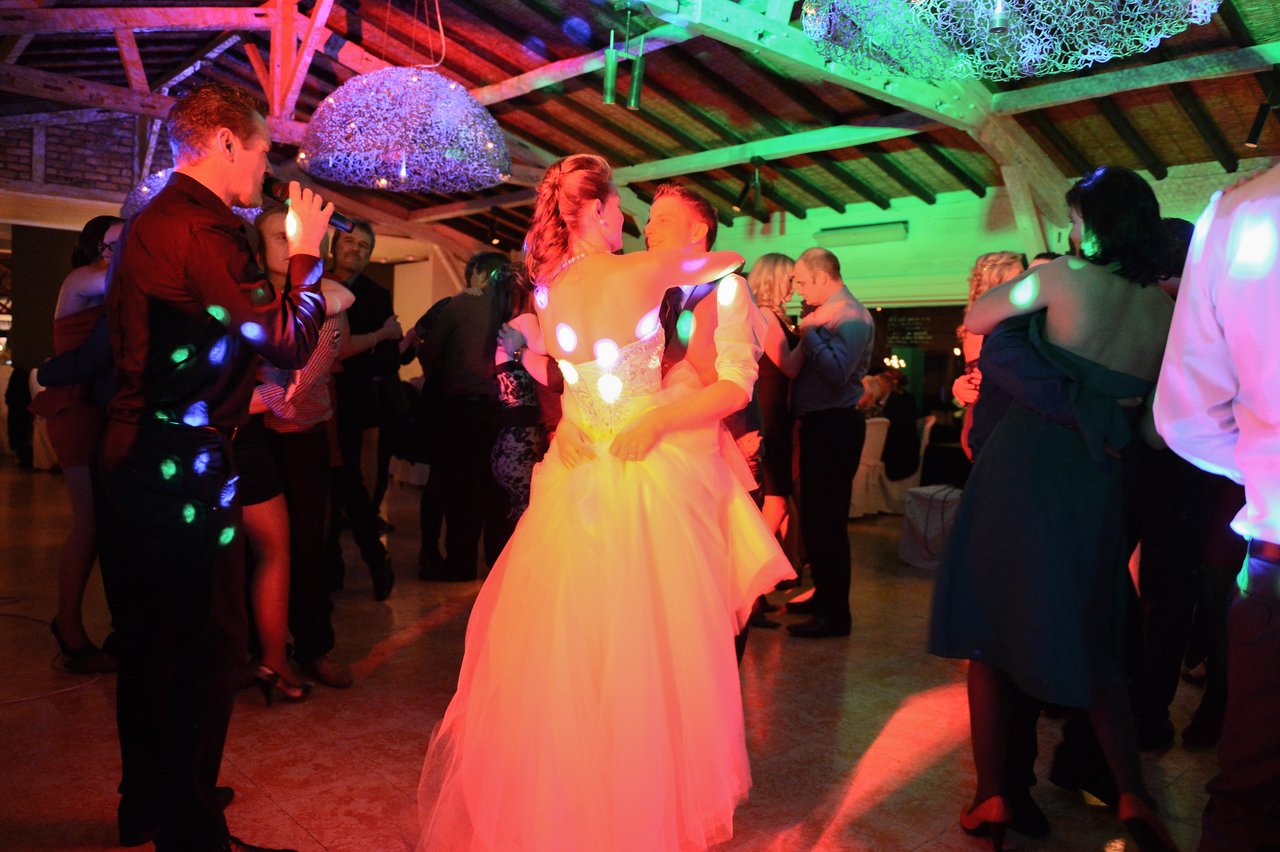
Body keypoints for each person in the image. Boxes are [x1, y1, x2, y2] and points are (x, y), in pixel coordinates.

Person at [415, 154, 793, 851]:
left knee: (565, 647)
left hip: (576, 476)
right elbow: (728, 260)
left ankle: (555, 805)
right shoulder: (640, 272)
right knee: (646, 650)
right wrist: (692, 260)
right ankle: (635, 808)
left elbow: (555, 373)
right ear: (593, 212)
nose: (633, 221)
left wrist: (586, 424)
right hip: (639, 482)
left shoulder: (552, 290)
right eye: (622, 210)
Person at [96, 82, 331, 852]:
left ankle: (152, 801)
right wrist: (305, 253)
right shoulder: (206, 229)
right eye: (264, 148)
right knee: (211, 647)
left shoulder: (151, 221)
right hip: (184, 465)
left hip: (135, 452)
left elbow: (185, 338)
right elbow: (288, 339)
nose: (267, 164)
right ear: (227, 142)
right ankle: (192, 828)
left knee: (152, 643)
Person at [928, 165, 1176, 851]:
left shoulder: (1064, 278)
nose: (1069, 232)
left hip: (1026, 467)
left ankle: (994, 798)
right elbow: (1153, 420)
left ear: (1095, 227)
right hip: (1101, 478)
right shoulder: (1162, 310)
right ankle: (1131, 793)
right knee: (1095, 635)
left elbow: (979, 316)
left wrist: (1043, 288)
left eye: (1074, 220)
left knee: (989, 629)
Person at [1153, 162, 1280, 851]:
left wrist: (1265, 468)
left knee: (1252, 800)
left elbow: (1186, 417)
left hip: (1274, 556)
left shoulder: (1240, 212)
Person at [234, 206, 356, 698]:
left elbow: (294, 394)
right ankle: (261, 651)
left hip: (300, 436)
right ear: (260, 251)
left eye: (294, 237)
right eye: (278, 239)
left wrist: (237, 399)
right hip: (254, 438)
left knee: (307, 546)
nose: (290, 247)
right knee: (255, 549)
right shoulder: (254, 301)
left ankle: (312, 649)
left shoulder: (328, 305)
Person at [29, 215, 122, 673]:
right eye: (111, 244)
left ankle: (73, 624)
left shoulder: (101, 279)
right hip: (74, 408)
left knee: (98, 525)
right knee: (88, 525)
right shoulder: (83, 279)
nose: (119, 252)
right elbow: (136, 280)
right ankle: (68, 626)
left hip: (91, 404)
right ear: (92, 249)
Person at [782, 247, 875, 639]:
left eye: (802, 282)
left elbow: (838, 374)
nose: (799, 290)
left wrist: (811, 335)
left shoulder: (851, 316)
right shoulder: (824, 316)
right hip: (822, 425)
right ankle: (825, 600)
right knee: (817, 522)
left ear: (822, 277)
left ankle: (836, 616)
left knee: (828, 523)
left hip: (836, 426)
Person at [415, 251, 513, 581]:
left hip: (461, 409)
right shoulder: (513, 307)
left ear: (479, 274)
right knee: (495, 491)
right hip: (502, 410)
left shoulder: (461, 304)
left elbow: (430, 352)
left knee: (462, 491)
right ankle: (497, 563)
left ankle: (461, 564)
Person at [327, 220, 397, 599]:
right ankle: (336, 564)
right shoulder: (313, 280)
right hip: (311, 396)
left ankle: (371, 558)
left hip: (350, 402)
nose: (355, 249)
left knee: (346, 481)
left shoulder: (376, 293)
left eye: (363, 245)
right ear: (335, 245)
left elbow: (385, 360)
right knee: (328, 485)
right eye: (350, 241)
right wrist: (377, 339)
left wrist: (371, 347)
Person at [747, 252, 802, 554]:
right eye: (791, 278)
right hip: (772, 415)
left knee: (780, 498)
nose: (795, 285)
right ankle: (752, 586)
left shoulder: (775, 315)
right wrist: (814, 332)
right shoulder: (765, 314)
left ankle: (777, 573)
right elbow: (790, 366)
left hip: (780, 414)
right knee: (777, 500)